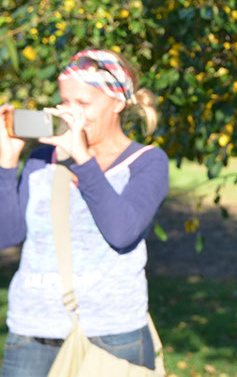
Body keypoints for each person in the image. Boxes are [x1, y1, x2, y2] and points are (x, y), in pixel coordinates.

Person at [0, 49, 169, 375]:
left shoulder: (148, 162)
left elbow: (122, 233)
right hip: (32, 332)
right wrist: (6, 164)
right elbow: (7, 235)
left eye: (83, 103)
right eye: (65, 101)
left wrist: (83, 160)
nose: (70, 112)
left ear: (117, 102)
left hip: (112, 335)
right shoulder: (42, 159)